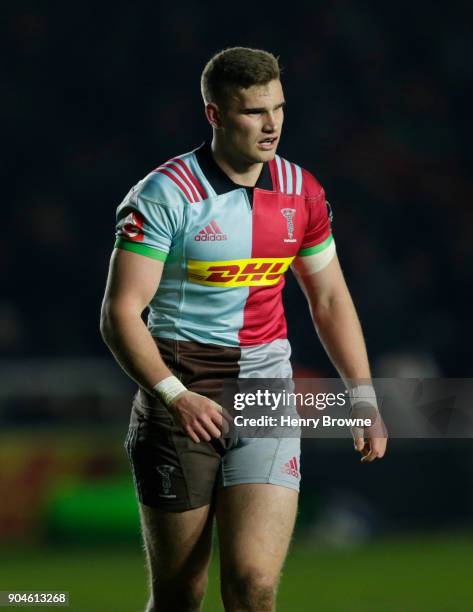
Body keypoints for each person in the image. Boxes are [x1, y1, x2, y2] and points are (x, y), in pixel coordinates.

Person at [100, 46, 387, 612]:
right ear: (214, 114)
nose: (272, 124)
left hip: (266, 390)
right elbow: (120, 314)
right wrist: (175, 397)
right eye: (255, 111)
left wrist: (363, 395)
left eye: (279, 108)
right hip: (182, 393)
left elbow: (329, 297)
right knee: (182, 593)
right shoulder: (165, 194)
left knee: (253, 585)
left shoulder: (301, 190)